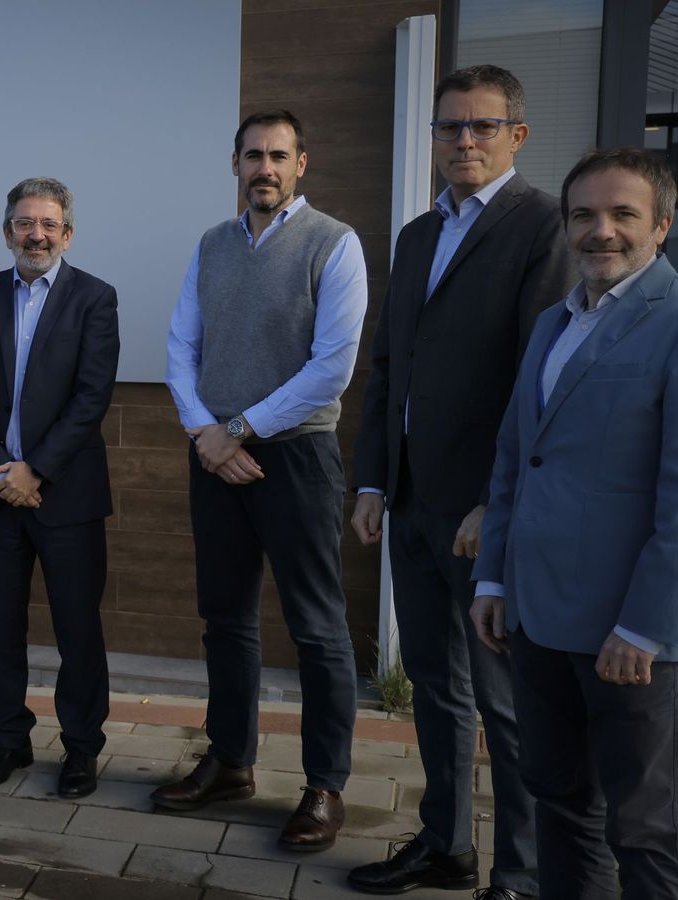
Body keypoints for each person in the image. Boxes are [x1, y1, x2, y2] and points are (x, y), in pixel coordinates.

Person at [348, 65, 570, 898]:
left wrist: (495, 503)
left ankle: (521, 873)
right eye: (450, 126)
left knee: (505, 707)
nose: (463, 140)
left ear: (517, 135)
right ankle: (446, 845)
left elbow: (538, 380)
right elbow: (388, 367)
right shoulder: (416, 235)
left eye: (482, 126)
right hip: (410, 504)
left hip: (483, 515)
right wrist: (373, 481)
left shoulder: (544, 226)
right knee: (436, 690)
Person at [158, 110, 368, 852]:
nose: (265, 168)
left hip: (297, 457)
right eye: (253, 156)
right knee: (225, 618)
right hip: (215, 455)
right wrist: (205, 435)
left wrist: (237, 429)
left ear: (301, 164)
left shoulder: (334, 243)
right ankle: (230, 762)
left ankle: (325, 785)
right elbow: (180, 346)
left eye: (279, 156)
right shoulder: (212, 244)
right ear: (236, 164)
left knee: (317, 626)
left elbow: (332, 368)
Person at [472, 147, 678, 900]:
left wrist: (645, 626)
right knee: (559, 802)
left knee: (646, 830)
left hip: (629, 639)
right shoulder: (553, 324)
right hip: (535, 621)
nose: (602, 230)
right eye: (584, 215)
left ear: (662, 224)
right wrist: (493, 579)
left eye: (623, 214)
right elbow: (514, 458)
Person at [0, 177, 119, 799]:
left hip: (66, 495)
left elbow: (92, 395)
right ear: (7, 233)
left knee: (78, 629)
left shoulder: (95, 298)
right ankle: (7, 741)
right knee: (0, 626)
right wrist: (1, 467)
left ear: (67, 234)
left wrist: (35, 469)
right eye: (25, 223)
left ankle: (81, 748)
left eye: (48, 224)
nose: (36, 235)